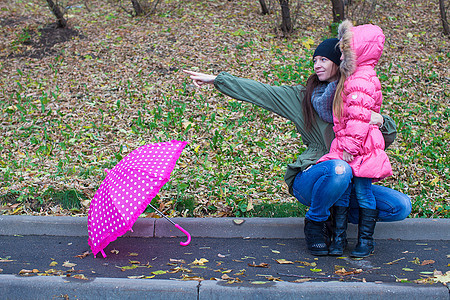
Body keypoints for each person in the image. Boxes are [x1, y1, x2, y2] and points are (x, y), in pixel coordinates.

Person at [183, 37, 411, 256]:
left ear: (339, 63)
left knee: (400, 206)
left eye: (323, 59)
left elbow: (384, 139)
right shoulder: (303, 97)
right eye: (315, 60)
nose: (317, 65)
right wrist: (217, 80)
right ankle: (316, 221)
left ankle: (336, 215)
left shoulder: (355, 95)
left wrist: (379, 120)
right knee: (338, 168)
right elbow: (262, 92)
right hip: (312, 177)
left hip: (350, 180)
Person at [317, 21, 392, 258]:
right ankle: (339, 239)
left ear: (359, 50)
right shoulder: (357, 76)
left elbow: (359, 115)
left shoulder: (361, 78)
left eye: (345, 50)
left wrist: (350, 146)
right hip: (351, 140)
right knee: (345, 192)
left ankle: (364, 241)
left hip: (360, 146)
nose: (340, 54)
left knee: (361, 192)